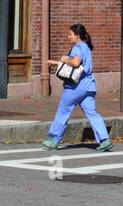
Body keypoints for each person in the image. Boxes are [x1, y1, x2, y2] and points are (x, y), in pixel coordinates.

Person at [41, 23, 112, 152]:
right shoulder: (86, 47)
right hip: (89, 86)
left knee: (63, 112)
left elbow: (75, 63)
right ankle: (104, 140)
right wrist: (56, 63)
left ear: (77, 36)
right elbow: (80, 65)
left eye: (70, 35)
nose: (69, 37)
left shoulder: (77, 47)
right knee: (92, 114)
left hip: (75, 87)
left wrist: (63, 59)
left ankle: (53, 140)